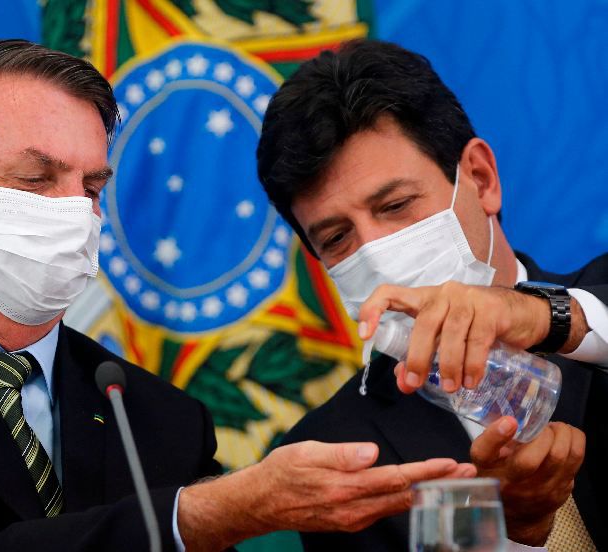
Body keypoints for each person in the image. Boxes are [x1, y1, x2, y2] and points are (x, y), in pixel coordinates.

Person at [0, 39, 474, 551]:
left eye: (91, 187)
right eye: (37, 180)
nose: (76, 214)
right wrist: (203, 514)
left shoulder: (159, 418)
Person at [257, 39, 608, 550]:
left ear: (482, 179)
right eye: (337, 239)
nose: (376, 256)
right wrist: (514, 532)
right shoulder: (339, 453)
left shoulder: (595, 308)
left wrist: (555, 318)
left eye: (396, 205)